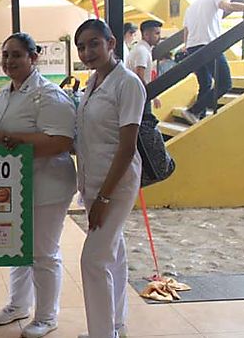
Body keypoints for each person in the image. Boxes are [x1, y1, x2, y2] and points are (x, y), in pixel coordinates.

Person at [0, 33, 77, 338]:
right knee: (19, 248)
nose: (9, 61)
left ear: (33, 57)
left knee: (43, 252)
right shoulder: (4, 94)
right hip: (16, 186)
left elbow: (61, 141)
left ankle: (47, 315)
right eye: (6, 55)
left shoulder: (49, 95)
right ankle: (18, 304)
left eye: (17, 55)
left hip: (48, 184)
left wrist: (15, 141)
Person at [73, 20, 145, 338]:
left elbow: (127, 147)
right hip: (93, 180)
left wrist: (103, 197)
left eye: (93, 44)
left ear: (111, 43)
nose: (87, 52)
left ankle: (102, 333)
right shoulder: (92, 83)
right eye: (81, 46)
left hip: (116, 184)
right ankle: (115, 324)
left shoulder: (127, 84)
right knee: (112, 253)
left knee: (93, 259)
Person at [125, 20, 162, 109]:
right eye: (156, 33)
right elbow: (139, 75)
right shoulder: (142, 51)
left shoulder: (141, 49)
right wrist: (151, 95)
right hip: (139, 97)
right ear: (146, 34)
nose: (159, 37)